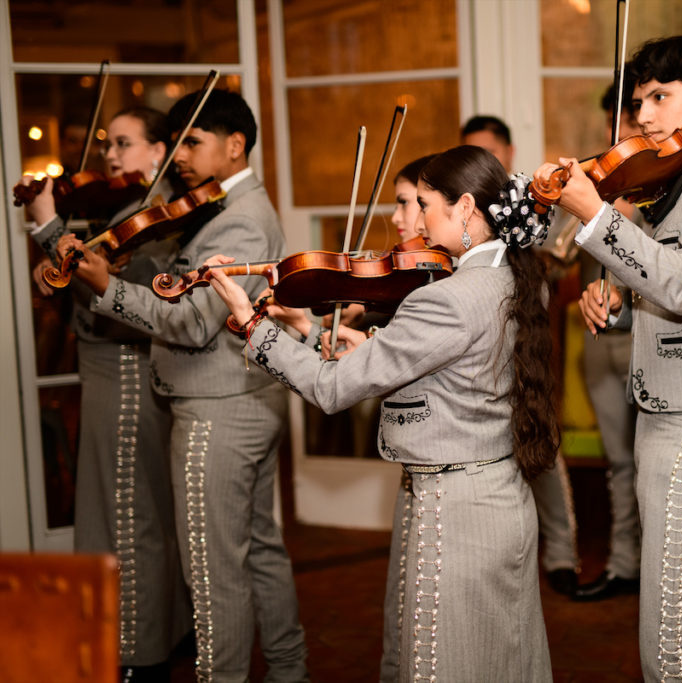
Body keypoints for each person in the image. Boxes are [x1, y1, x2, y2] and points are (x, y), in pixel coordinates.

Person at [205, 145, 559, 681]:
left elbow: (329, 390)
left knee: (445, 665)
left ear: (464, 207)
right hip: (502, 495)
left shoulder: (445, 297)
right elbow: (457, 370)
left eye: (423, 202)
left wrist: (253, 327)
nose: (414, 218)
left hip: (456, 512)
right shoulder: (514, 278)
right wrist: (356, 343)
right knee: (502, 657)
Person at [535, 36, 682, 680]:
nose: (643, 116)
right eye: (639, 101)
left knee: (673, 624)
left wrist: (593, 216)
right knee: (666, 614)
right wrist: (611, 291)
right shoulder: (672, 176)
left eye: (659, 98)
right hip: (660, 411)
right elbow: (661, 275)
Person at [57, 89, 308, 683]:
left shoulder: (240, 219)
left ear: (235, 144)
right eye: (175, 144)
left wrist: (106, 287)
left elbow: (193, 323)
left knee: (212, 568)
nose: (178, 157)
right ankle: (289, 670)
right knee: (258, 551)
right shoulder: (217, 208)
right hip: (242, 400)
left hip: (219, 409)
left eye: (191, 143)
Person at [17, 106, 191, 681]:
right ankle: (138, 638)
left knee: (130, 517)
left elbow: (123, 301)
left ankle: (141, 654)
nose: (110, 156)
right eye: (107, 144)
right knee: (119, 512)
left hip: (125, 372)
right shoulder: (124, 207)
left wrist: (48, 230)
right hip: (105, 373)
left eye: (124, 143)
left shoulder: (156, 219)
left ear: (159, 149)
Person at [461, 115, 581, 596]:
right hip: (477, 350)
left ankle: (562, 555)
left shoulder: (532, 200)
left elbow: (564, 257)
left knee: (541, 446)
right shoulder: (460, 207)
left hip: (528, 340)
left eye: (490, 152)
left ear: (509, 153)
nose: (483, 162)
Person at [571, 82, 643, 602]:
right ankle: (623, 565)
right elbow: (564, 256)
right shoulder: (591, 182)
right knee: (618, 460)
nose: (616, 138)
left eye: (629, 125)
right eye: (610, 126)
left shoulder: (661, 188)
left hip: (646, 334)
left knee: (655, 462)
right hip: (599, 337)